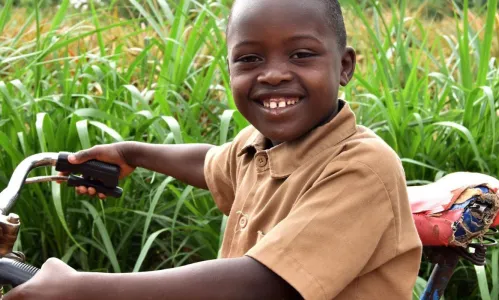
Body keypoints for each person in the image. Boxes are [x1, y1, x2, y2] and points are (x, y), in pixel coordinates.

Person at [5, 0, 422, 299]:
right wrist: (132, 153)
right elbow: (210, 163)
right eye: (250, 59)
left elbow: (266, 284)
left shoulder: (362, 166)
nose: (274, 74)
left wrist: (81, 289)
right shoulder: (260, 145)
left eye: (301, 54)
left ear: (345, 65)